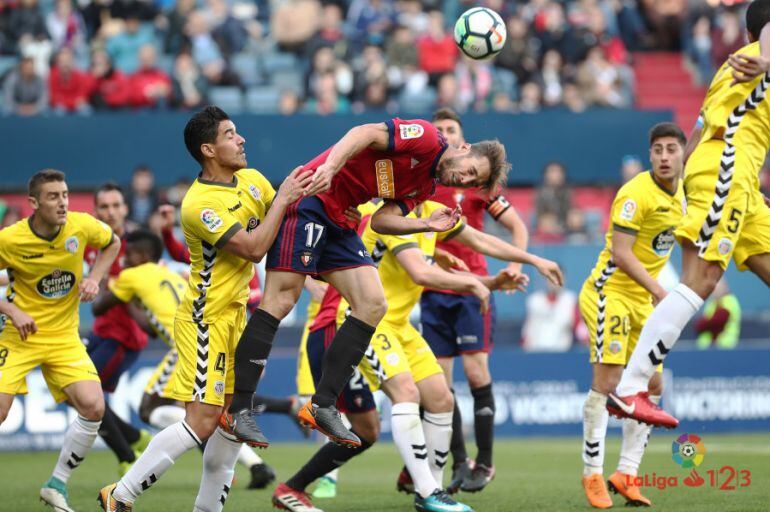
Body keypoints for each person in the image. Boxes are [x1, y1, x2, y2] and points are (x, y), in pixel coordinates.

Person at [225, 117, 556, 451]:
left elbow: (383, 221)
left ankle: (323, 404)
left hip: (341, 215)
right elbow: (364, 133)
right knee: (282, 300)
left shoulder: (425, 189)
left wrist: (424, 223)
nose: (464, 179)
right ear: (464, 149)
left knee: (372, 303)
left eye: (472, 182)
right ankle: (239, 408)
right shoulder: (427, 138)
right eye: (470, 170)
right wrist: (331, 167)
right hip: (311, 197)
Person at [275, 199, 561, 512]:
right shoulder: (387, 217)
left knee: (439, 399)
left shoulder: (432, 212)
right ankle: (427, 492)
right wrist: (471, 283)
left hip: (398, 324)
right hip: (362, 321)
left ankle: (430, 490)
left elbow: (479, 239)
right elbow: (420, 273)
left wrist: (527, 262)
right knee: (405, 394)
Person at [98, 106, 312, 511]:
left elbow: (290, 216)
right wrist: (284, 196)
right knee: (201, 420)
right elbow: (254, 247)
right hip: (205, 319)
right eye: (231, 134)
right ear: (209, 149)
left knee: (231, 420)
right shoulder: (199, 205)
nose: (242, 139)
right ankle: (119, 495)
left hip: (238, 317)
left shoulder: (251, 181)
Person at [609, 0, 770, 429]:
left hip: (737, 180)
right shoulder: (759, 60)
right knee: (701, 280)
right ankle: (630, 387)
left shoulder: (729, 70)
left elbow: (697, 128)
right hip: (727, 169)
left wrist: (682, 187)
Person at [420, 108, 530, 493]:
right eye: (440, 130)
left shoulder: (480, 183)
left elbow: (517, 226)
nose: (445, 134)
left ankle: (485, 462)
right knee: (439, 387)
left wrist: (515, 265)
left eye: (452, 129)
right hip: (433, 290)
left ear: (463, 141)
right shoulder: (423, 182)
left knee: (478, 374)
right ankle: (458, 462)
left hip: (473, 289)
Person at [579, 123, 686, 509]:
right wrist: (661, 291)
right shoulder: (635, 194)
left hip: (643, 300)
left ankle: (626, 473)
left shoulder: (688, 194)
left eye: (671, 149)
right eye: (657, 149)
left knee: (652, 386)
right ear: (650, 154)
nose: (663, 156)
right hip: (610, 293)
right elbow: (622, 254)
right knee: (607, 383)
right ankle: (592, 473)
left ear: (682, 154)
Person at [0, 169, 121, 511]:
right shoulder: (10, 240)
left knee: (94, 406)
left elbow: (113, 242)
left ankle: (56, 484)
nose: (63, 202)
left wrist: (96, 277)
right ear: (33, 204)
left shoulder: (81, 226)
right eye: (53, 197)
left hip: (65, 336)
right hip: (20, 336)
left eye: (65, 195)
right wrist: (11, 309)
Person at [85, 182, 152, 476]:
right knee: (79, 394)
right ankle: (136, 440)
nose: (111, 212)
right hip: (101, 331)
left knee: (85, 395)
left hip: (124, 337)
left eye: (116, 206)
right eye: (104, 207)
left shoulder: (137, 247)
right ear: (96, 210)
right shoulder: (88, 243)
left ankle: (127, 457)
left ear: (125, 208)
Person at [695, 278, 741, 349]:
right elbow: (699, 325)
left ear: (725, 287)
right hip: (706, 348)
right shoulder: (711, 303)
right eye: (713, 288)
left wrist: (706, 323)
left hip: (725, 347)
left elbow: (717, 320)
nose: (714, 291)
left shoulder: (730, 301)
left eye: (717, 287)